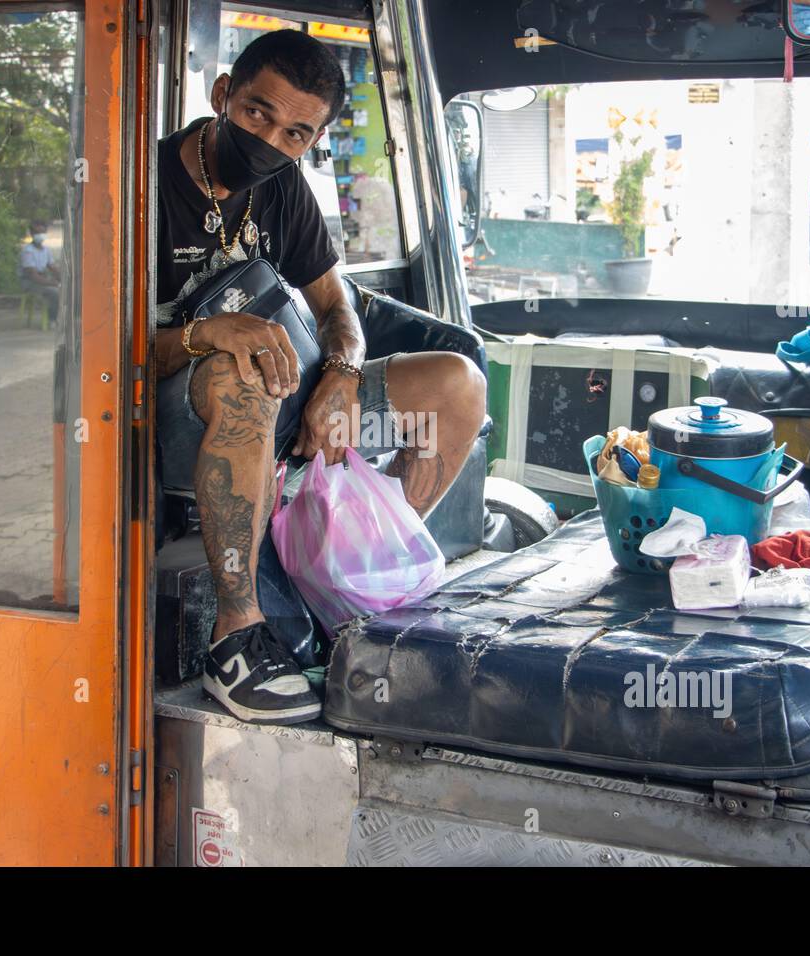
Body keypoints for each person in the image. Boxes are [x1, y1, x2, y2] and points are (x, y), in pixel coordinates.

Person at [154, 29, 486, 725]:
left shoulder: (283, 190)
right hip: (180, 410)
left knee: (456, 383)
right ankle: (238, 639)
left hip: (295, 404)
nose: (272, 140)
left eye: (297, 133)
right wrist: (202, 333)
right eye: (256, 114)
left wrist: (340, 375)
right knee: (240, 379)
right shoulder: (146, 185)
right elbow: (93, 351)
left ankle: (356, 580)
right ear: (223, 96)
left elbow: (338, 306)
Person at [19, 220, 61, 325]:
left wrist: (62, 279)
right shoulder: (28, 251)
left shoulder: (46, 250)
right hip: (29, 282)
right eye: (38, 233)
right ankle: (52, 320)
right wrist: (52, 283)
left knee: (65, 290)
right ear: (32, 234)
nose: (40, 235)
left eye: (43, 233)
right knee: (55, 292)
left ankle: (59, 318)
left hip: (42, 280)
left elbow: (52, 267)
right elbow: (33, 276)